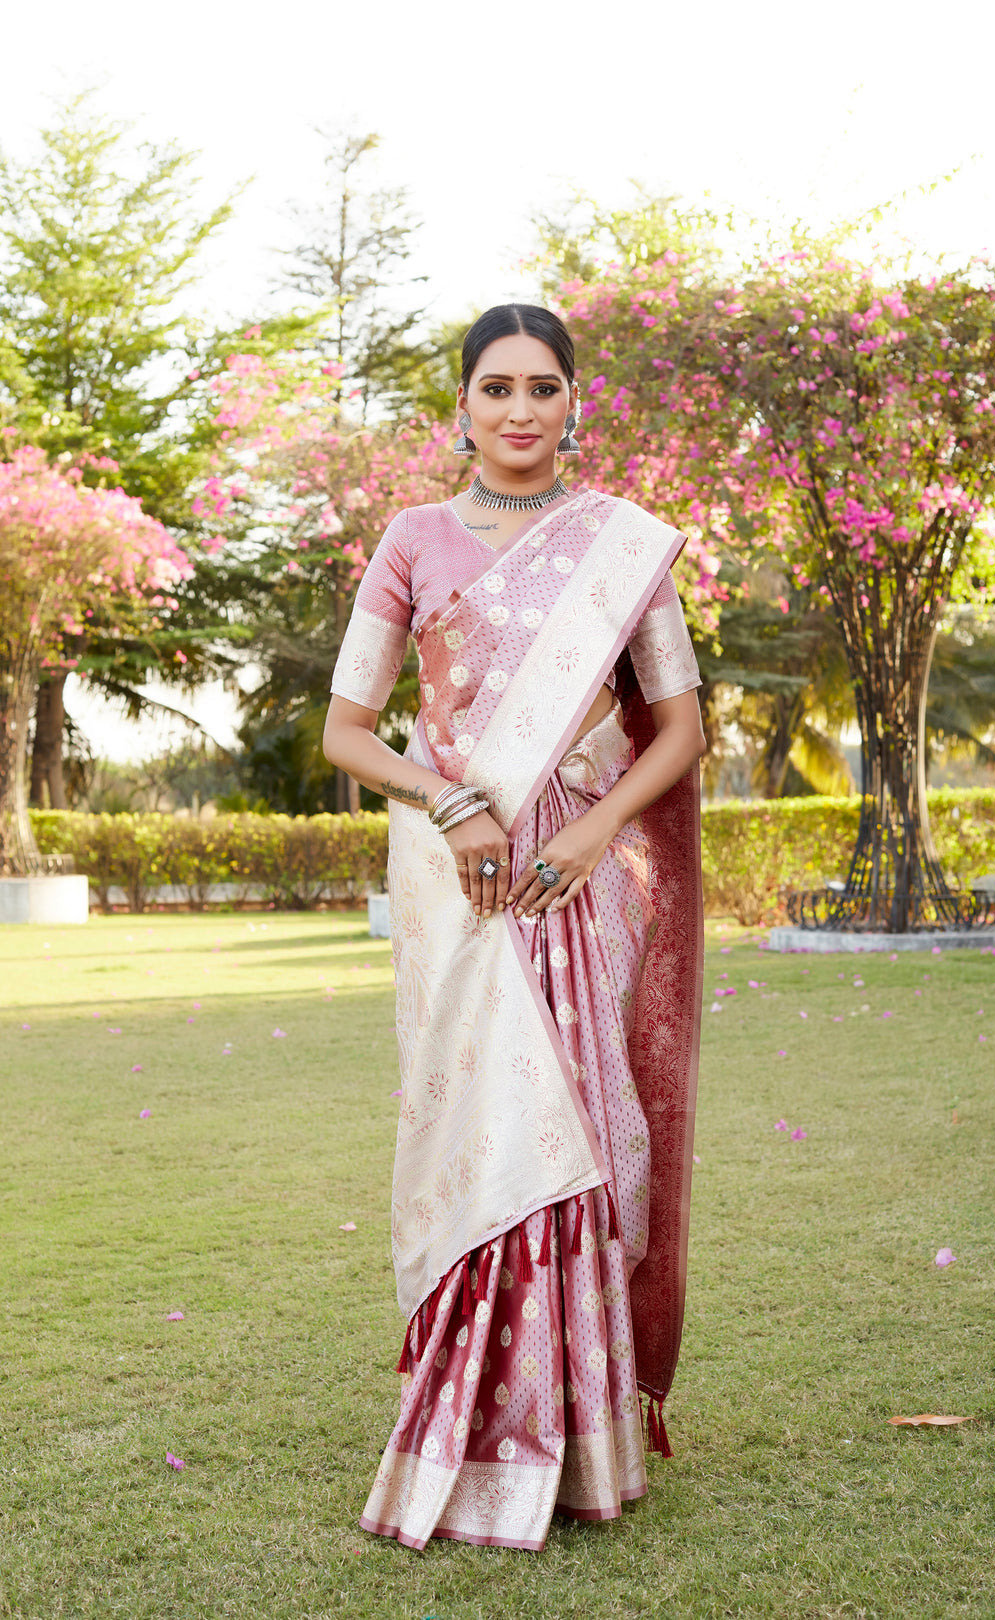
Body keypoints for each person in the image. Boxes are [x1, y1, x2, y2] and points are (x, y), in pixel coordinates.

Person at [323, 304, 706, 1552]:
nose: (521, 410)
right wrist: (451, 804)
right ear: (463, 406)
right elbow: (346, 731)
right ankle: (468, 1429)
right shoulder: (414, 539)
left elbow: (684, 732)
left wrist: (591, 837)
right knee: (478, 1142)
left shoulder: (623, 549)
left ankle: (576, 1439)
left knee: (573, 1135)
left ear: (573, 401)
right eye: (497, 388)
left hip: (572, 881)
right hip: (463, 883)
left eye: (544, 387)